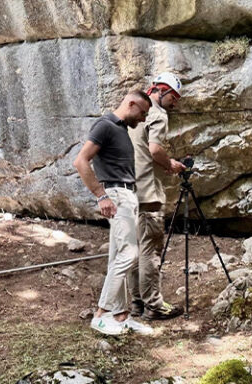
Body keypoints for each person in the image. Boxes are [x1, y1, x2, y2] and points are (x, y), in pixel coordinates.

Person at [73, 90, 155, 336]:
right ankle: (100, 315)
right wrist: (102, 195)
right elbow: (81, 161)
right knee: (130, 254)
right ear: (130, 104)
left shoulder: (121, 130)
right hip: (117, 195)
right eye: (142, 113)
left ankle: (119, 315)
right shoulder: (106, 125)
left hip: (126, 195)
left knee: (118, 255)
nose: (142, 119)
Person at [127, 73, 187, 321]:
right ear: (161, 91)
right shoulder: (158, 115)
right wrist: (170, 164)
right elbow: (155, 149)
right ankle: (154, 304)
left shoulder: (134, 115)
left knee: (134, 248)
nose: (175, 104)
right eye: (174, 97)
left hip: (129, 190)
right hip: (148, 193)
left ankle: (136, 304)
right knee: (150, 250)